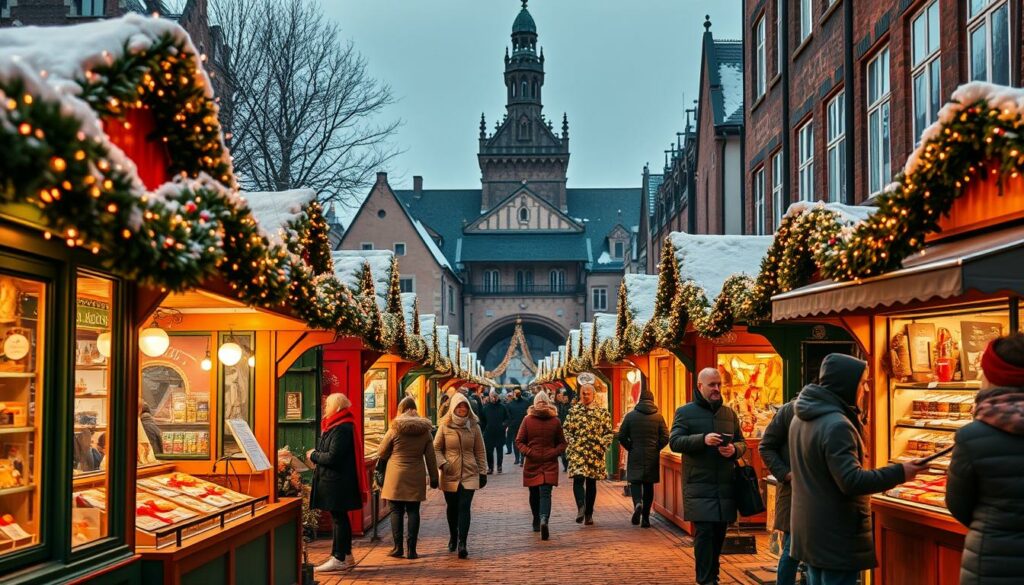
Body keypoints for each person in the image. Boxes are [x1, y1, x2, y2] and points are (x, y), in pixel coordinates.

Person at [789, 354, 925, 585]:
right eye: (862, 383)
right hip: (836, 535)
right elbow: (851, 481)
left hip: (811, 531)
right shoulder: (837, 425)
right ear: (847, 384)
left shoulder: (801, 418)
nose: (865, 390)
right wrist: (901, 472)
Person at [946, 335, 1024, 585]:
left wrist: (991, 524)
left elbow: (958, 503)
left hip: (990, 562)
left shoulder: (972, 436)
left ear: (992, 377)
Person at [670, 367, 746, 585]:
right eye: (712, 385)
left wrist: (734, 450)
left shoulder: (729, 413)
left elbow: (741, 442)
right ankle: (705, 580)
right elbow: (675, 442)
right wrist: (702, 439)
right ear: (700, 386)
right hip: (698, 486)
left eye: (719, 384)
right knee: (704, 535)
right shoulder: (685, 412)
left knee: (719, 534)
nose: (716, 389)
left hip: (725, 486)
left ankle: (714, 576)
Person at [308, 393, 367, 573]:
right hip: (337, 481)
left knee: (339, 518)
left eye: (328, 405)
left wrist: (313, 455)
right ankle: (345, 555)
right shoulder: (338, 425)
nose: (325, 408)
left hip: (337, 482)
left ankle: (339, 557)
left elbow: (333, 457)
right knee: (340, 518)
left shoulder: (341, 428)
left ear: (337, 407)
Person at [377, 397, 439, 560]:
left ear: (401, 410)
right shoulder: (425, 431)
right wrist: (434, 477)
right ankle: (412, 550)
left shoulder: (394, 428)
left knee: (396, 510)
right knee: (413, 511)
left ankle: (398, 548)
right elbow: (431, 457)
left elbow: (382, 452)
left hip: (395, 474)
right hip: (416, 473)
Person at [434, 393, 487, 559]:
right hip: (450, 473)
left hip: (469, 473)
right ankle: (453, 536)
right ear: (453, 408)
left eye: (464, 406)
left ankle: (463, 543)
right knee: (452, 507)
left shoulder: (474, 427)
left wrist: (483, 471)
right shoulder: (444, 426)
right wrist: (443, 463)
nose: (462, 409)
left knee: (464, 506)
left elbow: (480, 450)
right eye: (459, 406)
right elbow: (435, 449)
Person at [515, 391, 567, 540]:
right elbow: (562, 443)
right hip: (549, 462)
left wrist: (529, 452)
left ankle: (536, 520)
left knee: (534, 493)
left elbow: (519, 441)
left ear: (535, 402)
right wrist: (554, 452)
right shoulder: (555, 421)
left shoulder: (527, 420)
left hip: (532, 461)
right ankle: (544, 518)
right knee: (545, 493)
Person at [758, 394, 799, 584]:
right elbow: (766, 446)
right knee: (792, 548)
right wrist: (785, 474)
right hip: (795, 493)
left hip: (823, 497)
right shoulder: (790, 411)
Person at [618, 381, 669, 528]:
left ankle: (637, 504)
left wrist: (630, 447)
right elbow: (666, 437)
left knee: (635, 482)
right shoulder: (658, 417)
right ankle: (645, 518)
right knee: (648, 486)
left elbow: (621, 436)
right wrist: (656, 448)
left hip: (635, 453)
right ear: (652, 401)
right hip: (652, 456)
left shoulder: (630, 416)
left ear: (640, 400)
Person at [563, 382, 613, 525]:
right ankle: (581, 507)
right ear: (580, 394)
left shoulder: (602, 412)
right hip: (578, 452)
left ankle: (589, 514)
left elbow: (608, 433)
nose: (585, 396)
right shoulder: (574, 411)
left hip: (594, 454)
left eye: (588, 393)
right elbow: (566, 429)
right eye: (583, 393)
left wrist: (603, 445)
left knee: (591, 483)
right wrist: (572, 442)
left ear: (593, 395)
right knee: (578, 479)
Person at [480, 390, 510, 474]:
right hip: (489, 433)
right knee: (489, 451)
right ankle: (490, 467)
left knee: (499, 450)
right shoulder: (485, 408)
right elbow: (482, 420)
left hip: (500, 432)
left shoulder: (502, 407)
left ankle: (499, 466)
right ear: (489, 397)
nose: (494, 398)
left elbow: (507, 418)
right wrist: (484, 429)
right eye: (492, 396)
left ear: (498, 397)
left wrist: (504, 425)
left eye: (495, 396)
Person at [506, 387, 530, 465]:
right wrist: (509, 425)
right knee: (515, 442)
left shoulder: (526, 402)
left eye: (518, 392)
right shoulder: (510, 404)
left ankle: (522, 457)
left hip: (524, 425)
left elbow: (528, 413)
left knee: (523, 442)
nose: (516, 394)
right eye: (515, 392)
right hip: (514, 426)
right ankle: (517, 458)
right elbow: (508, 416)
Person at [555, 388, 572, 471]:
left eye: (565, 397)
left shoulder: (571, 407)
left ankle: (568, 464)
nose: (564, 399)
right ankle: (565, 465)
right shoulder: (560, 406)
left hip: (569, 430)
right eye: (563, 397)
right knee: (563, 449)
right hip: (561, 429)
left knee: (568, 449)